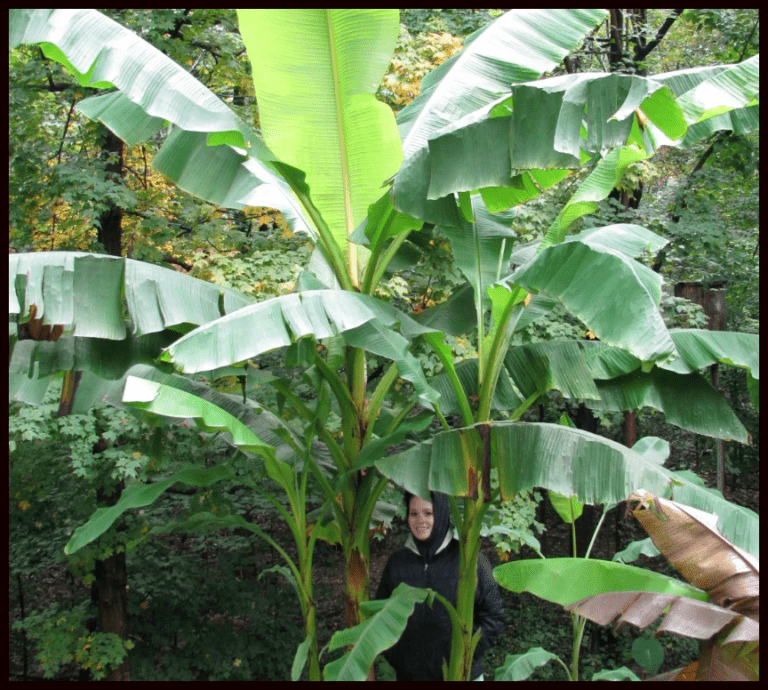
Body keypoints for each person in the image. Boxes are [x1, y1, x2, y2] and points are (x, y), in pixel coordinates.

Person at [374, 491, 504, 681]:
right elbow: (381, 614)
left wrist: (466, 655)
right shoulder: (398, 562)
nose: (420, 521)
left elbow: (493, 615)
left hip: (463, 675)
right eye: (414, 514)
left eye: (428, 513)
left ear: (441, 513)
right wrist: (399, 659)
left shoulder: (469, 559)